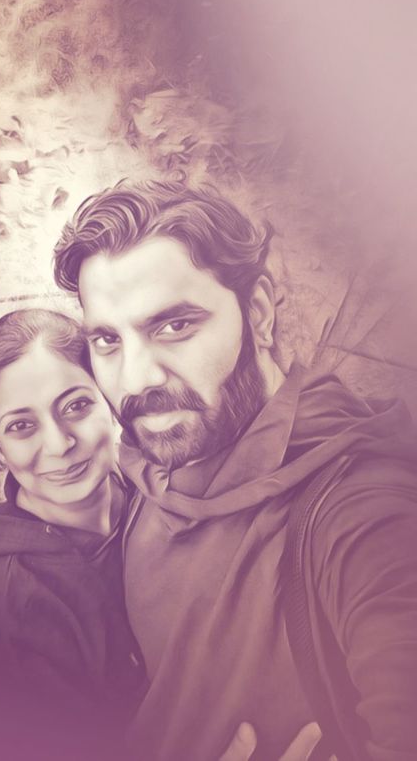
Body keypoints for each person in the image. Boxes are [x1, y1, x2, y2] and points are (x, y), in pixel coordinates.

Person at [53, 180, 417, 761]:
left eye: (174, 326)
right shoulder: (147, 465)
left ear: (259, 312)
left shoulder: (365, 514)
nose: (136, 379)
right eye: (107, 340)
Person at [0, 309, 147, 761]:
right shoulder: (11, 604)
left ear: (109, 400)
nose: (59, 445)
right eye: (21, 426)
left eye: (76, 406)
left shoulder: (154, 490)